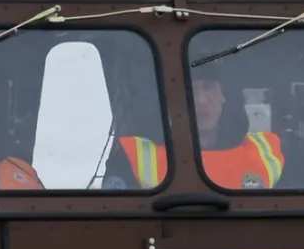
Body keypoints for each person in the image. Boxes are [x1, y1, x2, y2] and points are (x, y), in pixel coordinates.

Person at [107, 70, 284, 190]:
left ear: (225, 96)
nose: (200, 100)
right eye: (188, 88)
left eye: (208, 87)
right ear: (166, 102)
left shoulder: (267, 151)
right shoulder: (130, 156)